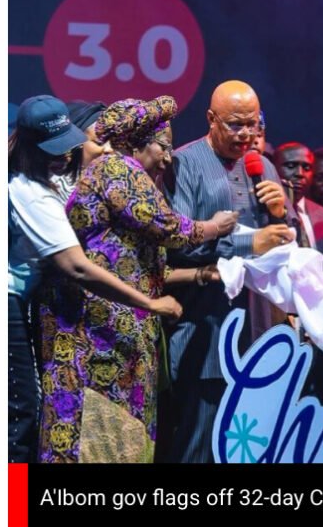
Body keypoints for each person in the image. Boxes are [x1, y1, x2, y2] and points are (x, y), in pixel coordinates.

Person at [35, 95, 237, 464]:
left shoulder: (124, 174)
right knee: (94, 433)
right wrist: (213, 227)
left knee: (118, 434)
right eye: (163, 146)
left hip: (113, 327)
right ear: (137, 140)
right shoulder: (117, 168)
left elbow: (142, 266)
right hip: (94, 330)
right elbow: (170, 229)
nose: (168, 158)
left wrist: (200, 274)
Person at [8, 95, 183, 463]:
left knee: (28, 417)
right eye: (55, 148)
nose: (64, 154)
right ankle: (12, 500)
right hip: (11, 305)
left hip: (31, 307)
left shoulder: (61, 183)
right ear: (31, 148)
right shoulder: (30, 192)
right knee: (18, 421)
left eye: (67, 145)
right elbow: (78, 267)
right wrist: (150, 304)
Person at [163, 80, 296, 463]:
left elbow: (283, 245)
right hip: (205, 330)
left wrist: (279, 215)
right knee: (199, 444)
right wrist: (250, 243)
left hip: (258, 327)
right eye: (235, 124)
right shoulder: (185, 163)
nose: (245, 134)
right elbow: (178, 244)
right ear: (211, 119)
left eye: (252, 124)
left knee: (250, 447)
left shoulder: (263, 166)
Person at [274, 142, 323, 265]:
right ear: (273, 168)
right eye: (291, 166)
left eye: (306, 168)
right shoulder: (260, 213)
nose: (300, 173)